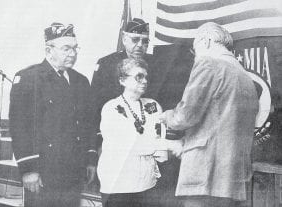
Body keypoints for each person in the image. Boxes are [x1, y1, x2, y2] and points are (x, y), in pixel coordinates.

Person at [160, 22, 259, 207]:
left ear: (205, 41)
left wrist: (168, 117)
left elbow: (185, 115)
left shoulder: (209, 63)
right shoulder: (246, 78)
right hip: (234, 177)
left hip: (205, 173)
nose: (195, 56)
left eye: (195, 49)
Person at [9, 22, 97, 207]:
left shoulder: (80, 81)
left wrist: (90, 160)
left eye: (75, 48)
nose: (72, 54)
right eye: (66, 49)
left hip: (74, 170)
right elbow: (20, 127)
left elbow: (88, 123)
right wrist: (29, 169)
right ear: (49, 51)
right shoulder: (28, 78)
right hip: (43, 171)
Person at [97, 58, 182, 207]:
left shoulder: (153, 106)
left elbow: (160, 149)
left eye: (146, 77)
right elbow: (131, 144)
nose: (144, 81)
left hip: (147, 184)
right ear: (122, 80)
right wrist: (170, 144)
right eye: (139, 77)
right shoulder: (111, 108)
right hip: (118, 185)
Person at [91, 18, 153, 142]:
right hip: (115, 131)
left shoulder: (154, 64)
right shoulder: (106, 64)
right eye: (135, 39)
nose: (140, 45)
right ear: (124, 39)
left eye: (145, 41)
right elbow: (94, 103)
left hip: (146, 132)